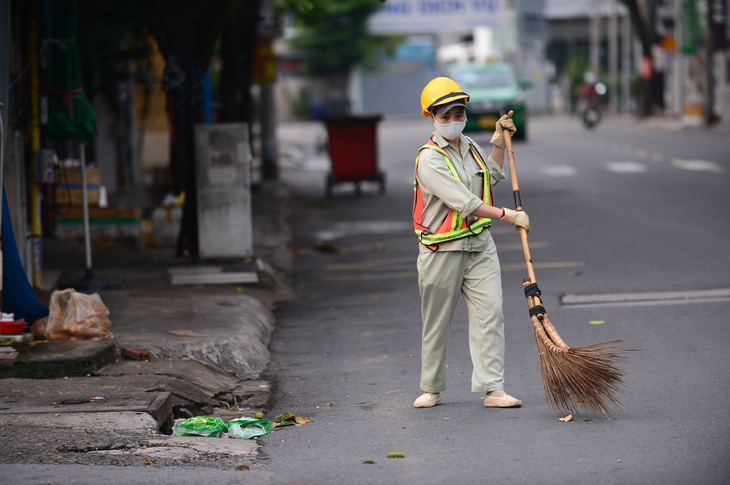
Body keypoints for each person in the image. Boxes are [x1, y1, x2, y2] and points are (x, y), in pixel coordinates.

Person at [412, 77, 530, 409]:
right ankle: (432, 387)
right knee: (437, 324)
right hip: (441, 251)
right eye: (445, 116)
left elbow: (489, 175)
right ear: (432, 117)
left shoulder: (469, 148)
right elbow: (464, 202)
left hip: (478, 246)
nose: (453, 121)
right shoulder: (429, 159)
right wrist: (508, 215)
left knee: (490, 314)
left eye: (458, 113)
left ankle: (494, 389)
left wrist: (498, 143)